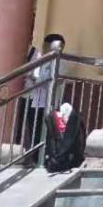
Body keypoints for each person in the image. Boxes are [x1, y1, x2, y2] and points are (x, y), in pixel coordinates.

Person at [20, 33, 66, 166]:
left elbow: (53, 79)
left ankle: (46, 158)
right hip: (36, 100)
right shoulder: (41, 59)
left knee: (47, 132)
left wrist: (35, 79)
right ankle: (35, 158)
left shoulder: (61, 62)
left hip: (50, 103)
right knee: (34, 130)